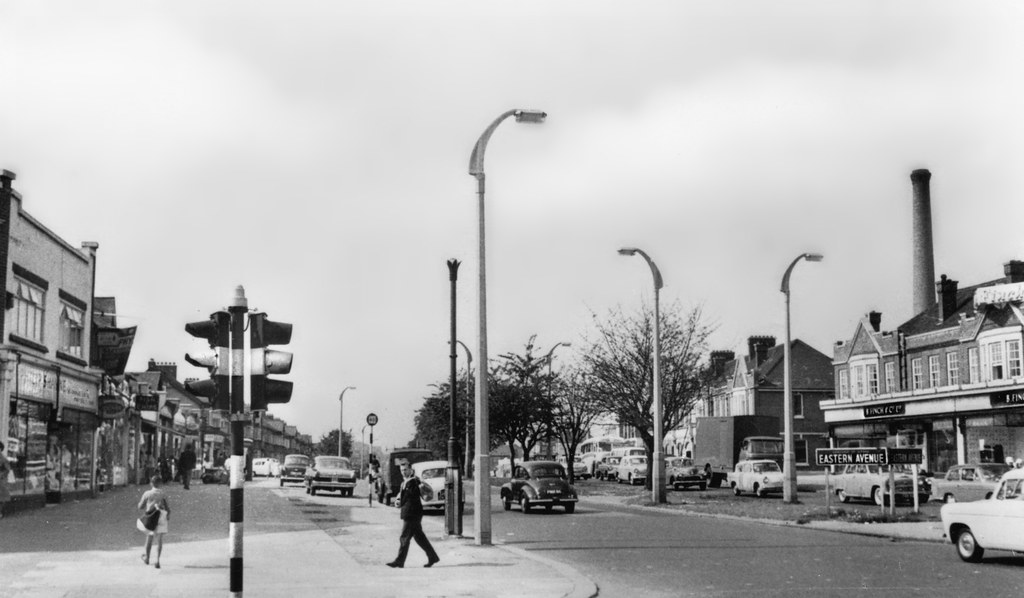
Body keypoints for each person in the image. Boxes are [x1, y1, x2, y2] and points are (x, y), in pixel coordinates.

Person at [386, 461, 439, 569]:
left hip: (412, 513)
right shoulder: (407, 481)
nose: (403, 472)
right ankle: (432, 556)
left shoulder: (413, 482)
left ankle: (399, 561)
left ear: (410, 469)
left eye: (405, 470)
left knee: (404, 537)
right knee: (419, 537)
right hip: (412, 512)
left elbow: (409, 497)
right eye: (401, 470)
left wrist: (398, 503)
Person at [137, 475, 170, 568]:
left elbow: (140, 507)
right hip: (161, 516)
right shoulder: (163, 494)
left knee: (150, 536)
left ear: (151, 483)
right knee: (159, 539)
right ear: (160, 484)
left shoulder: (147, 493)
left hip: (151, 517)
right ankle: (157, 561)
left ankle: (147, 558)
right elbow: (167, 507)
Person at [0, 441, 11, 519]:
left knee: (1, 498)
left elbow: (7, 469)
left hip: (1, 480)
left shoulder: (3, 459)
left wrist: (1, 475)